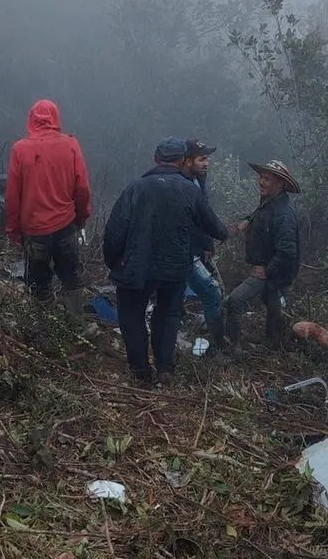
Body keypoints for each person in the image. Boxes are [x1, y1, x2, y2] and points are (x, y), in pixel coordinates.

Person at [103, 138, 228, 386]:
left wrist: (114, 262)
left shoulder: (136, 188)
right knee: (168, 314)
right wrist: (225, 233)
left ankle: (140, 370)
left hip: (137, 266)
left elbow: (115, 231)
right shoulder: (190, 190)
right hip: (175, 268)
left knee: (132, 316)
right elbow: (215, 228)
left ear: (156, 159)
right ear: (182, 161)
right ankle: (164, 368)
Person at [5, 99, 92, 312]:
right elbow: (82, 188)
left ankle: (43, 325)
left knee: (38, 284)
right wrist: (81, 218)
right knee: (71, 279)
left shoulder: (20, 149)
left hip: (34, 229)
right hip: (66, 224)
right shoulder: (71, 144)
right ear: (55, 118)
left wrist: (13, 230)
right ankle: (76, 322)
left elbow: (13, 196)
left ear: (31, 119)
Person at [224, 160, 301, 355]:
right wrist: (246, 221)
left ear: (280, 184)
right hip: (269, 270)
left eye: (267, 179)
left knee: (235, 300)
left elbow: (287, 251)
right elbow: (258, 213)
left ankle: (235, 348)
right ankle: (272, 343)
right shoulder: (269, 202)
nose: (261, 182)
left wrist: (267, 271)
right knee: (273, 307)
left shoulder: (284, 214)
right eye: (261, 177)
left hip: (275, 272)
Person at [182, 139, 227, 355]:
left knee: (216, 292)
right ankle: (219, 347)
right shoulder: (180, 185)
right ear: (187, 160)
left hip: (197, 248)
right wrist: (220, 233)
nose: (207, 163)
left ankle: (216, 337)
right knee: (212, 293)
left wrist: (208, 242)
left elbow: (204, 214)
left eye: (207, 158)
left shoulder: (198, 179)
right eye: (202, 159)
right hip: (185, 252)